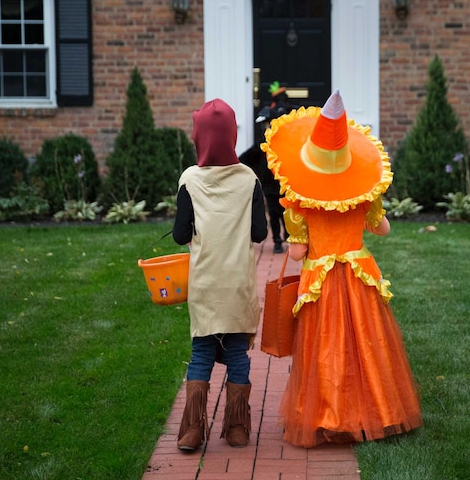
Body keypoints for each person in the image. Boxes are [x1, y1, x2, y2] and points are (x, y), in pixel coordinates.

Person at [262, 89, 423, 447]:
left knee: (325, 346)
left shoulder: (300, 200)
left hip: (321, 278)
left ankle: (327, 415)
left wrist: (296, 240)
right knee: (368, 343)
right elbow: (382, 228)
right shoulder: (363, 194)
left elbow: (298, 253)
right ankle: (380, 411)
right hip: (358, 274)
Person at [172, 98, 268, 451]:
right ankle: (238, 427)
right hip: (238, 285)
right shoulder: (249, 179)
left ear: (199, 137)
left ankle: (192, 430)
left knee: (200, 354)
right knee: (237, 356)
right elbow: (259, 233)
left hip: (205, 284)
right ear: (232, 136)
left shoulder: (190, 179)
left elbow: (182, 234)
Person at [239, 81, 292, 253]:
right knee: (274, 213)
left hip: (284, 183)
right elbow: (247, 157)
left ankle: (289, 236)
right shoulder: (262, 144)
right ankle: (276, 239)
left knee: (285, 211)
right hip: (269, 185)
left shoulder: (286, 144)